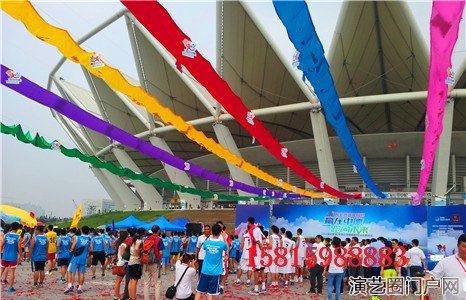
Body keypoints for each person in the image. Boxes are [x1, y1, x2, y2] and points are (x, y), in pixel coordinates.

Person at [426, 233, 466, 300]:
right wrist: (424, 280)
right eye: (464, 246)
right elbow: (432, 276)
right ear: (458, 245)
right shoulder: (445, 262)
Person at [195, 224, 228, 300]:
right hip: (215, 272)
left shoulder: (206, 243)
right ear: (220, 232)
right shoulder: (222, 244)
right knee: (211, 293)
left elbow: (204, 248)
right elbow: (226, 249)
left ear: (211, 231)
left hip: (205, 270)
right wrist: (224, 237)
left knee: (199, 291)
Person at [65, 226, 91, 294]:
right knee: (81, 273)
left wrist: (71, 250)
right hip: (83, 258)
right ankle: (79, 288)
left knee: (70, 271)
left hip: (76, 257)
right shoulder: (89, 239)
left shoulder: (77, 237)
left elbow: (72, 247)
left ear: (81, 230)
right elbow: (91, 249)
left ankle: (70, 285)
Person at [142, 225, 164, 300]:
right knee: (157, 283)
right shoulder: (159, 239)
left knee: (146, 283)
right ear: (158, 231)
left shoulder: (146, 239)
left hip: (146, 262)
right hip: (155, 263)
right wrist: (159, 260)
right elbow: (160, 253)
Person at [246, 217, 265, 295]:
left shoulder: (251, 230)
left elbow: (255, 240)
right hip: (260, 252)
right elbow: (263, 237)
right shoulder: (258, 228)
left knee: (256, 270)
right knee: (262, 269)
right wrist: (262, 247)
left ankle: (256, 289)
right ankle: (263, 287)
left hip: (255, 253)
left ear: (248, 222)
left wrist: (260, 245)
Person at [0, 221, 21, 292]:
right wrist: (20, 255)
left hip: (5, 256)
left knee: (1, 270)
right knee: (12, 273)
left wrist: (1, 252)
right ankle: (10, 288)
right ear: (18, 229)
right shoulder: (18, 237)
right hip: (13, 257)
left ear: (11, 227)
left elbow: (2, 245)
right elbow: (19, 248)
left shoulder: (6, 235)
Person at [127, 228, 143, 300]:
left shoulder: (132, 241)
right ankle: (133, 297)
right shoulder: (139, 241)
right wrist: (139, 256)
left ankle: (131, 296)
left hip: (130, 261)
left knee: (131, 281)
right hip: (136, 261)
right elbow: (136, 249)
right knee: (134, 281)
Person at [113, 230, 129, 300]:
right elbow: (123, 257)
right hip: (122, 264)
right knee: (118, 281)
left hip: (122, 263)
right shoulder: (123, 245)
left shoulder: (122, 244)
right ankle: (116, 296)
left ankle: (117, 295)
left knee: (119, 281)